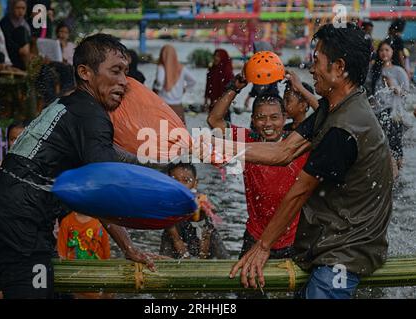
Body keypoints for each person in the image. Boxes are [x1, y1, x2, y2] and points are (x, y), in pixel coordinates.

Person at [0, 33, 163, 299]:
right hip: (22, 235)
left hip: (13, 227)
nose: (124, 82)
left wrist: (128, 247)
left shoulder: (69, 106)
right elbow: (106, 186)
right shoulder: (91, 115)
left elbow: (97, 186)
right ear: (85, 72)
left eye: (125, 72)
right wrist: (160, 203)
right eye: (115, 71)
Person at [224, 23, 393, 299]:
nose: (311, 69)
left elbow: (299, 191)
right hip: (329, 239)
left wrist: (263, 246)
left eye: (316, 61)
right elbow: (282, 152)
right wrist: (217, 148)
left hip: (346, 253)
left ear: (339, 68)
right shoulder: (333, 107)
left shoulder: (344, 129)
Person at [208, 85, 308, 261]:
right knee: (245, 286)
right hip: (255, 236)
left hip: (293, 238)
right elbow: (214, 120)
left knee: (295, 287)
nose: (268, 124)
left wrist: (300, 87)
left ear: (285, 118)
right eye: (261, 118)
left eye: (274, 117)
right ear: (253, 120)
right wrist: (236, 86)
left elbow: (330, 121)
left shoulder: (297, 143)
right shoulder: (247, 139)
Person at [160, 162, 229, 260]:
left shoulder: (202, 202)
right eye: (174, 180)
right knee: (165, 253)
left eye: (186, 180)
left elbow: (206, 235)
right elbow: (174, 236)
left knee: (223, 257)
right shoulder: (166, 201)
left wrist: (202, 260)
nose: (180, 185)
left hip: (204, 236)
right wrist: (181, 247)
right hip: (174, 233)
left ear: (195, 184)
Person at [368, 38, 410, 176]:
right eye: (381, 50)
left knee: (395, 145)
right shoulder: (374, 71)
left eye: (387, 50)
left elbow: (406, 95)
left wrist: (394, 87)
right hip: (377, 114)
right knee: (380, 145)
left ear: (392, 52)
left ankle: (397, 174)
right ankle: (386, 173)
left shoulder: (399, 71)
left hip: (394, 114)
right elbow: (369, 92)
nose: (384, 53)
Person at [153, 44, 196, 123]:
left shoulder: (161, 67)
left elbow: (159, 82)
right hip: (178, 107)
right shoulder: (181, 68)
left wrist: (156, 90)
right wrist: (185, 88)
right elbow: (193, 81)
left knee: (164, 132)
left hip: (164, 106)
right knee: (178, 131)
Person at [244, 41, 280, 111]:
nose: (254, 54)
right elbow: (258, 84)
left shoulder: (267, 67)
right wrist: (249, 96)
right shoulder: (272, 65)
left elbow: (261, 85)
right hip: (267, 100)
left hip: (268, 102)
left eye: (255, 51)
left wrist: (249, 97)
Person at [0, 0, 31, 70]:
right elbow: (7, 41)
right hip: (11, 54)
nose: (20, 11)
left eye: (23, 8)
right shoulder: (5, 22)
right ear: (12, 8)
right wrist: (19, 49)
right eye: (18, 8)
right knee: (21, 31)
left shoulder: (25, 23)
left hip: (25, 54)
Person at [204, 49, 234, 121]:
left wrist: (219, 101)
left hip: (223, 106)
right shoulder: (211, 70)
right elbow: (208, 87)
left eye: (218, 56)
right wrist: (205, 101)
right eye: (215, 56)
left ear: (223, 58)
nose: (215, 58)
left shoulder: (228, 72)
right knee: (213, 128)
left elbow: (230, 90)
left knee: (225, 128)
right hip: (212, 104)